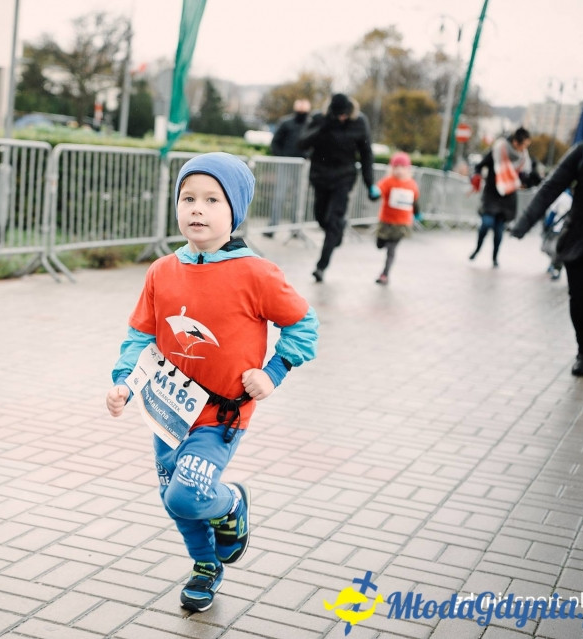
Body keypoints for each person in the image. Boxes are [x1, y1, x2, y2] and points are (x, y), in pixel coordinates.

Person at [105, 152, 319, 612]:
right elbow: (140, 334)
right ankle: (205, 566)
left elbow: (305, 324)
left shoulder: (257, 273)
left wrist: (273, 372)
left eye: (212, 199)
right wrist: (124, 381)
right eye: (188, 198)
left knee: (190, 494)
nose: (197, 209)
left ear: (235, 210)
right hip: (166, 409)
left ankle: (229, 505)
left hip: (221, 414)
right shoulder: (161, 271)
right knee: (173, 499)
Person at [511, 108, 583, 377]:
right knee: (580, 299)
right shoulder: (582, 152)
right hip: (578, 240)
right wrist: (524, 223)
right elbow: (550, 188)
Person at [298, 93, 380, 282]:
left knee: (333, 220)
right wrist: (324, 127)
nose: (342, 118)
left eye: (345, 114)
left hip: (343, 178)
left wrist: (370, 184)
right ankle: (337, 233)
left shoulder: (359, 122)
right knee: (321, 218)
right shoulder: (320, 119)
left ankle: (321, 266)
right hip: (320, 177)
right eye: (338, 115)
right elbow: (302, 142)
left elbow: (366, 154)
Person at [468, 127, 541, 267]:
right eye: (524, 145)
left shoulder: (523, 159)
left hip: (508, 198)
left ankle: (495, 258)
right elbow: (479, 166)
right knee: (486, 224)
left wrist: (529, 182)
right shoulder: (497, 151)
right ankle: (477, 249)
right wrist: (476, 176)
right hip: (491, 195)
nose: (525, 149)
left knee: (498, 231)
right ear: (515, 142)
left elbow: (528, 178)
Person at [265, 99, 311, 236]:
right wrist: (281, 156)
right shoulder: (286, 123)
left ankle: (295, 229)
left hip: (301, 166)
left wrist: (307, 156)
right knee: (279, 196)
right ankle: (272, 227)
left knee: (299, 198)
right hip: (285, 163)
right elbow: (275, 142)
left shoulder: (310, 124)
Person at [373, 152, 420, 285]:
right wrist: (375, 191)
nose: (399, 170)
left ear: (408, 169)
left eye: (402, 167)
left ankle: (385, 275)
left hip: (401, 224)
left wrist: (417, 213)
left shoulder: (412, 185)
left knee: (391, 250)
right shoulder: (389, 181)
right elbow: (380, 188)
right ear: (392, 168)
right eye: (396, 167)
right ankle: (382, 241)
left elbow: (415, 201)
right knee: (380, 244)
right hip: (386, 222)